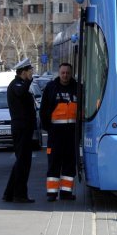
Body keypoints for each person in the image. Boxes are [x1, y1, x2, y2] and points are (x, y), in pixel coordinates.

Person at [40, 63, 78, 201]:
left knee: (69, 164)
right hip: (55, 134)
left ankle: (66, 193)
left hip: (72, 134)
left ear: (71, 73)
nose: (65, 75)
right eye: (63, 73)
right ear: (59, 73)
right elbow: (43, 110)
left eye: (67, 73)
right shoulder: (51, 88)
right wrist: (48, 128)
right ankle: (51, 193)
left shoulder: (78, 88)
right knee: (54, 163)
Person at [3, 58, 37, 203]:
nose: (32, 73)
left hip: (25, 128)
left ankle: (9, 193)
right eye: (30, 71)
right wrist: (28, 82)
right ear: (23, 72)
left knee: (21, 161)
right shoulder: (17, 84)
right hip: (21, 128)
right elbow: (19, 93)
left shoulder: (22, 84)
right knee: (23, 162)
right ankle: (19, 194)